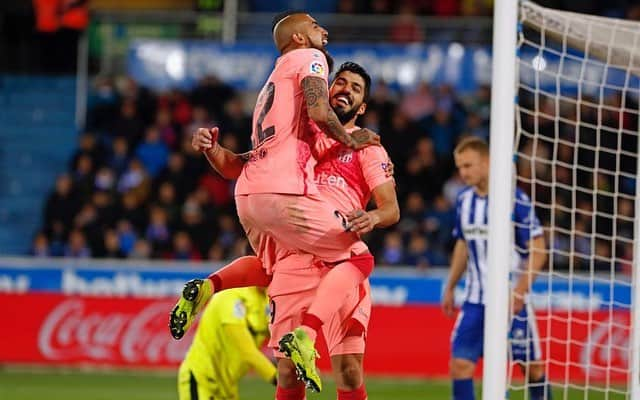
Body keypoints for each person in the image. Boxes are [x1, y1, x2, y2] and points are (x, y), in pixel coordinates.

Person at [171, 11, 382, 393]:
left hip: (254, 196)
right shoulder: (308, 67)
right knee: (359, 258)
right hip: (290, 204)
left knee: (270, 271)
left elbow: (241, 165)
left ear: (363, 106)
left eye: (356, 87)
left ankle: (211, 286)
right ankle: (306, 334)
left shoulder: (284, 95)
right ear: (301, 38)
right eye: (317, 27)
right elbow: (319, 109)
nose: (325, 32)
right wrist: (350, 139)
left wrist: (374, 213)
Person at [441, 136, 551, 400]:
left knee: (532, 369)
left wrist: (520, 291)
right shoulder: (464, 201)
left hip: (511, 300)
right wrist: (451, 286)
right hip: (475, 301)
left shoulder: (514, 199)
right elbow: (462, 245)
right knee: (460, 365)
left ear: (487, 163)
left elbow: (539, 250)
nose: (463, 173)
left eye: (468, 166)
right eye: (460, 167)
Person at [178, 287, 276, 400]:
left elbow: (277, 336)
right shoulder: (229, 297)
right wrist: (277, 378)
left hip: (227, 386)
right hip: (202, 379)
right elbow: (248, 351)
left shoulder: (265, 299)